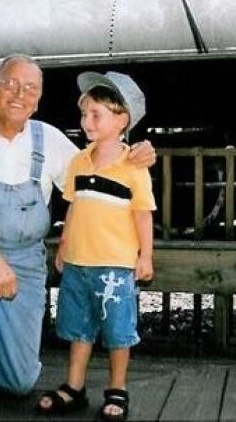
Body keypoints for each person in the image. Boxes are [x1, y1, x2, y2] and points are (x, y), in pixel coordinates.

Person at [0, 54, 156, 422]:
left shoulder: (50, 142)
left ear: (39, 99)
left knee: (16, 381)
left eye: (31, 88)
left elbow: (100, 174)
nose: (20, 94)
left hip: (23, 261)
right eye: (10, 84)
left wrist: (137, 153)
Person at [37, 71, 155, 422]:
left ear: (122, 120)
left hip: (115, 266)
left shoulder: (133, 168)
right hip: (77, 264)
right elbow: (73, 208)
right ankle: (74, 387)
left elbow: (143, 215)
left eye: (95, 115)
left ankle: (117, 389)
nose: (85, 121)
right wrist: (63, 246)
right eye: (84, 114)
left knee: (118, 333)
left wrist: (145, 256)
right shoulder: (79, 162)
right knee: (78, 328)